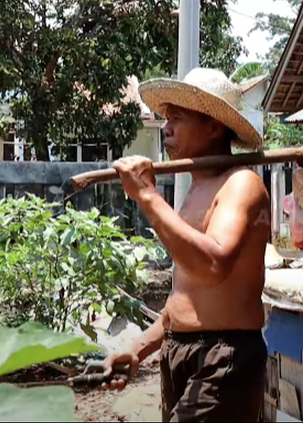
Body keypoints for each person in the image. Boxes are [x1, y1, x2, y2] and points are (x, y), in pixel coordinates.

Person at [102, 68, 271, 422]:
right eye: (166, 119)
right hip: (178, 353)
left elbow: (213, 266)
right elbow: (186, 297)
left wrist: (147, 195)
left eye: (177, 118)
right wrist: (140, 348)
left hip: (224, 357)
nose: (167, 129)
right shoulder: (195, 190)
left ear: (213, 126)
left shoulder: (242, 184)